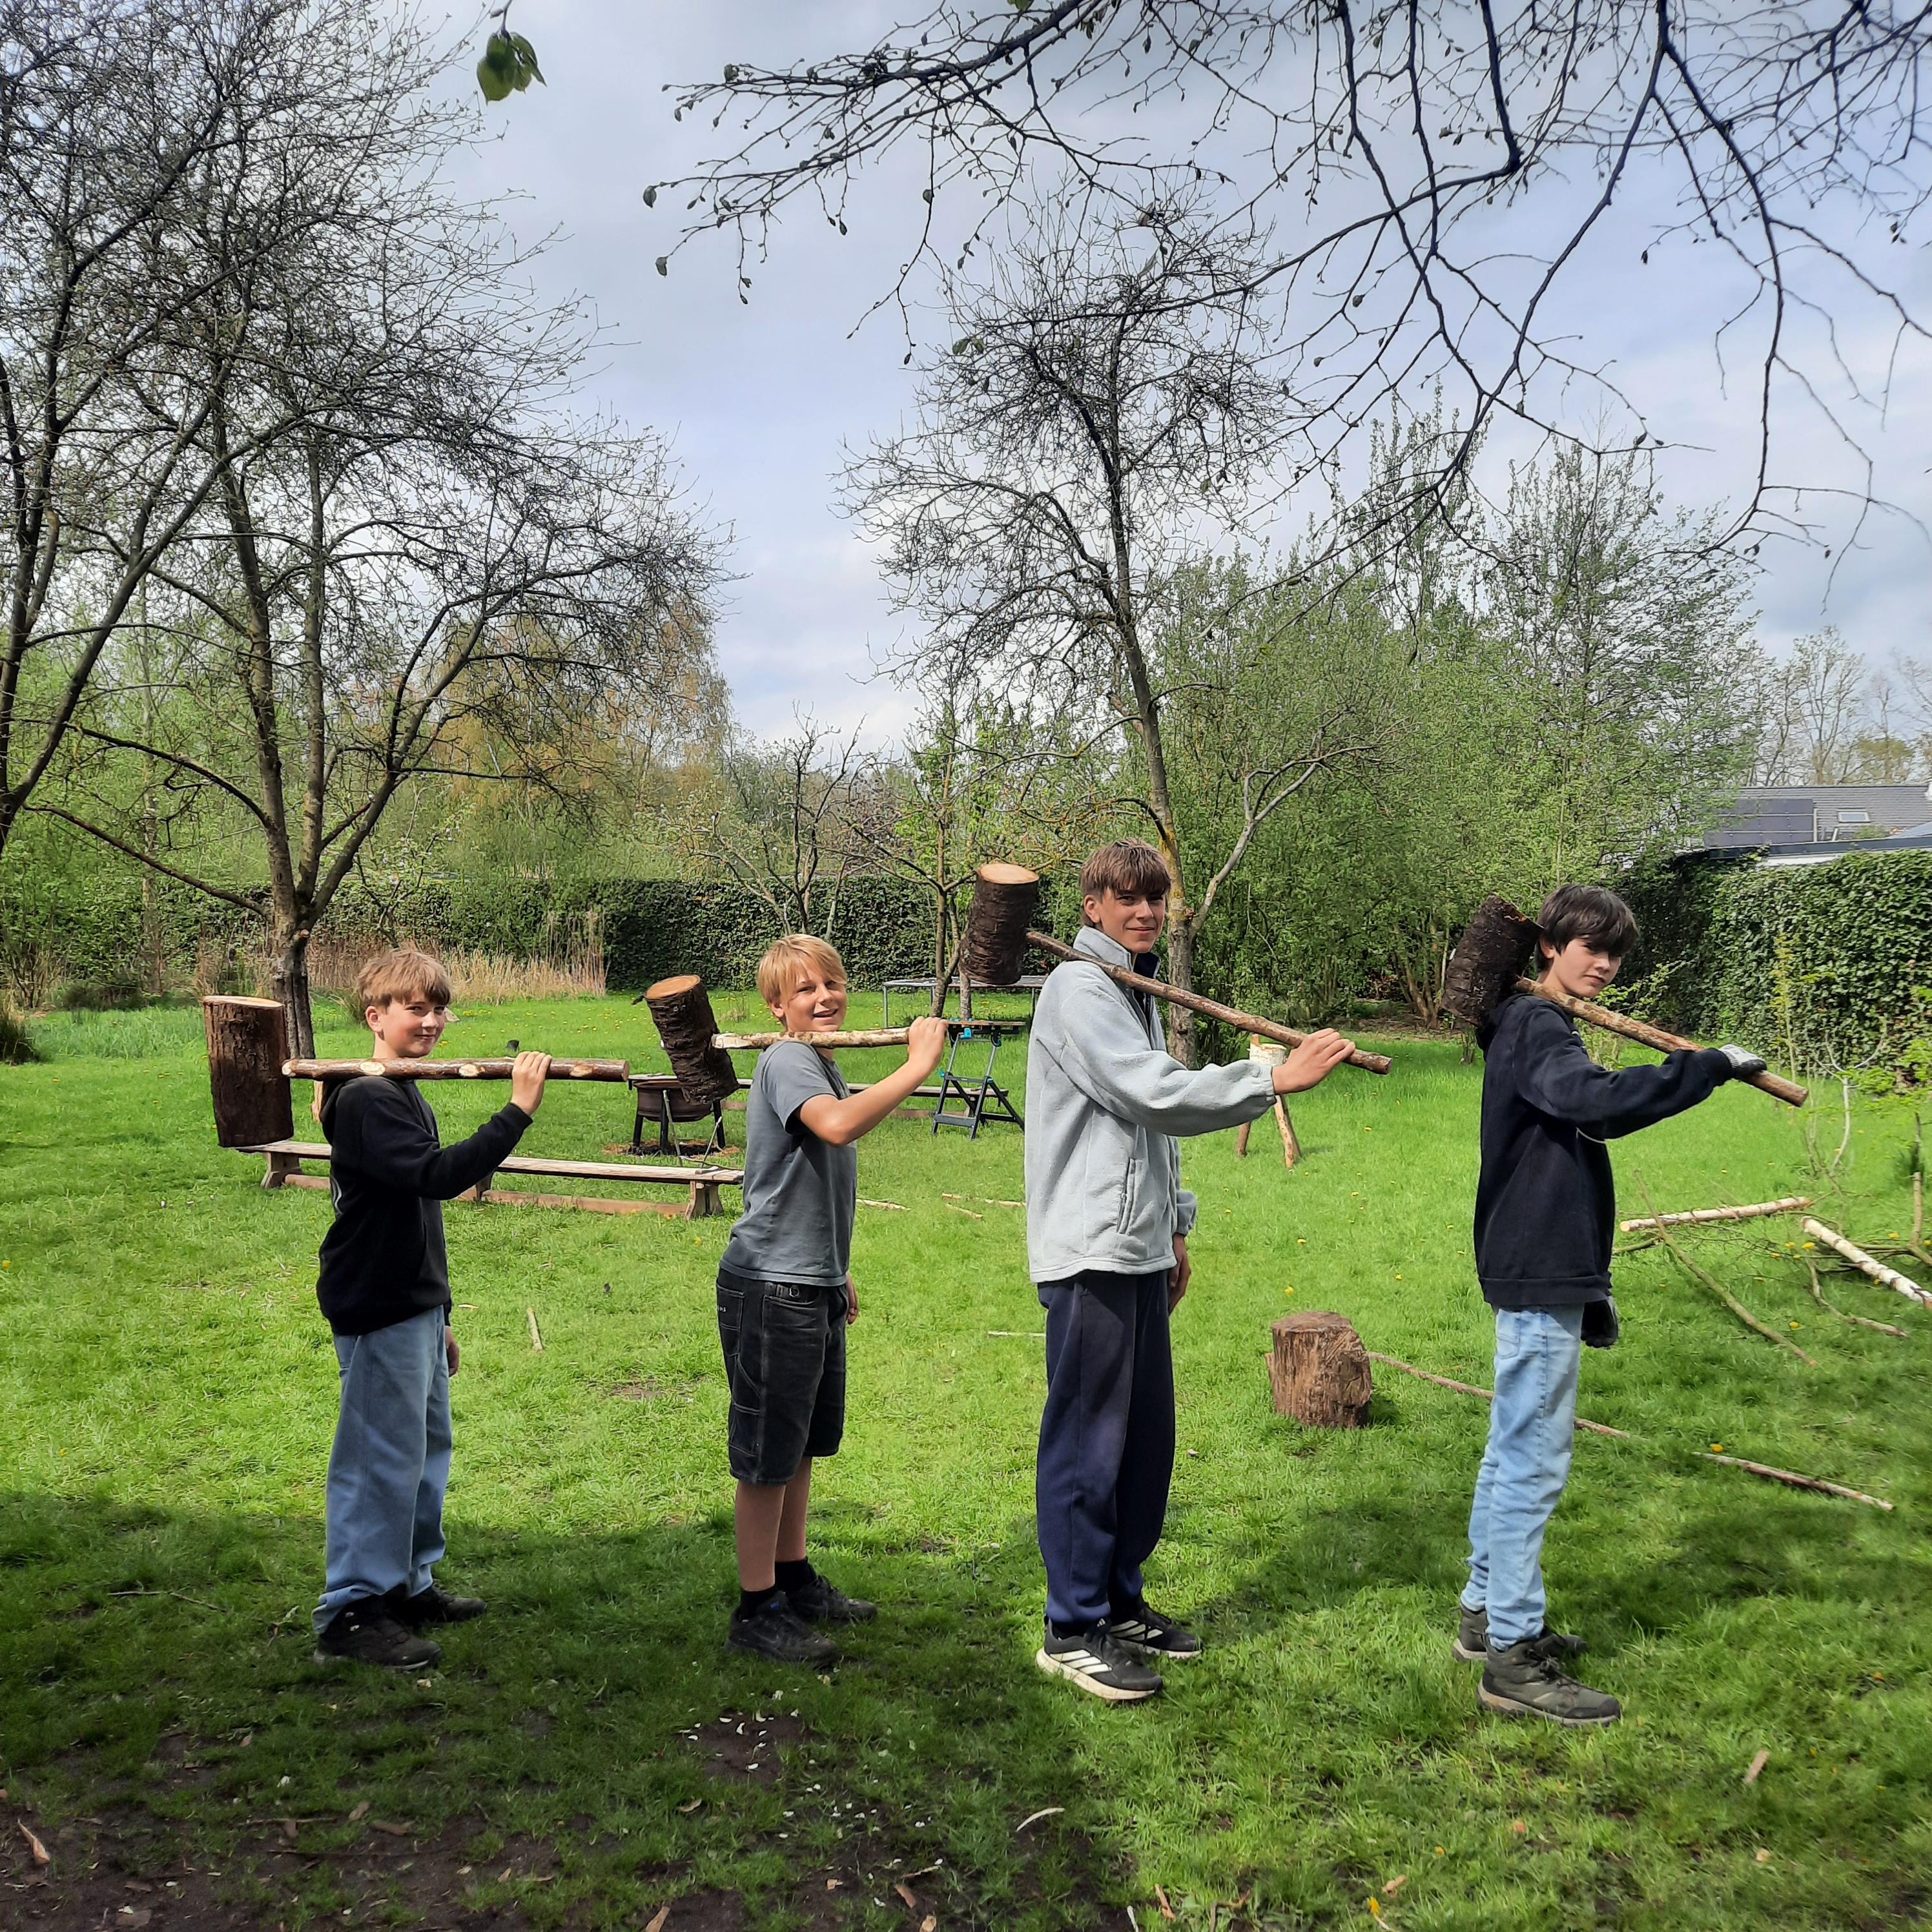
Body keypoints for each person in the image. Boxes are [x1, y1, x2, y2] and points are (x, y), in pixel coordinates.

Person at [1026, 841, 1357, 1702]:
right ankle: (1070, 1627)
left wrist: (1175, 1229)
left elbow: (1150, 1130)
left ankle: (1117, 1601)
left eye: (1156, 901)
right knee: (1090, 1438)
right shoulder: (1078, 991)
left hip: (1136, 1246)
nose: (1144, 913)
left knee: (1143, 1441)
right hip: (1091, 1248)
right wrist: (1271, 1079)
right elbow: (1150, 1093)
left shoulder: (1130, 990)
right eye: (1126, 899)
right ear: (1092, 904)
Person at [1459, 883, 1766, 1727]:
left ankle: (1486, 1617)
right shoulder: (1535, 1026)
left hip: (1533, 1260)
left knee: (1509, 1446)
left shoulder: (1537, 1025)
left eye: (1615, 952)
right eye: (1589, 947)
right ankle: (1514, 1660)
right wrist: (1703, 1069)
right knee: (1532, 1460)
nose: (1604, 963)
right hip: (1540, 1262)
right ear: (1550, 946)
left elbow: (1578, 1107)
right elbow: (1593, 1102)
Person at [312, 948, 549, 1670]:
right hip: (376, 1304)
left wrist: (440, 1312)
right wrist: (516, 1111)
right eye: (416, 1008)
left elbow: (417, 1214)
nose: (432, 1020)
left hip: (412, 1304)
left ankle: (407, 1585)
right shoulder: (366, 1099)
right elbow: (437, 1177)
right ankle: (352, 1608)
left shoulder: (401, 1089)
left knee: (422, 1452)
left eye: (439, 1007)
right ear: (374, 1015)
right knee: (378, 1457)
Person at [716, 934, 950, 1665]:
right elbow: (838, 1126)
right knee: (766, 1454)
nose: (823, 997)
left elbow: (809, 1185)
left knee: (803, 1442)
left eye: (832, 983)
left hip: (809, 1280)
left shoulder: (819, 1062)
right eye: (804, 989)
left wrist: (833, 1267)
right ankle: (757, 1609)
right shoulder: (787, 1060)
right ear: (776, 1006)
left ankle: (793, 1576)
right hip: (769, 1286)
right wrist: (917, 1065)